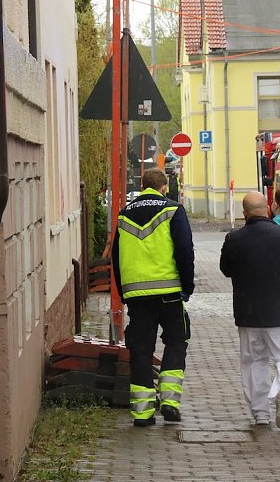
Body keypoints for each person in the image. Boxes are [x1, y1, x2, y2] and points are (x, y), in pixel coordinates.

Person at [111, 168, 194, 427]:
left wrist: (124, 293)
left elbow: (115, 257)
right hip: (169, 292)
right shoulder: (172, 210)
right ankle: (169, 402)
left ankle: (143, 413)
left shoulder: (124, 215)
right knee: (176, 342)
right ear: (163, 187)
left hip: (137, 295)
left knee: (141, 349)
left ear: (142, 184)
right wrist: (187, 286)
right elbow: (184, 250)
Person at [219, 191, 280, 428]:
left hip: (249, 314)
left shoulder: (234, 239)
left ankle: (260, 414)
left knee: (253, 362)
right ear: (268, 207)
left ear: (244, 213)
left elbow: (225, 269)